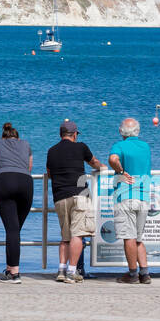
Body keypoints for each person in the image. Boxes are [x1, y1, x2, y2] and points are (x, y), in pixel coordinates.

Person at [46, 119, 103, 283]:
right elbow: (95, 162)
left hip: (60, 197)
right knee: (78, 234)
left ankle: (61, 270)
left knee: (65, 237)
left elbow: (49, 173)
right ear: (75, 134)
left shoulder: (51, 151)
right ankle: (72, 271)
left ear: (61, 135)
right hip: (79, 195)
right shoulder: (81, 147)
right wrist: (104, 169)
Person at [108, 117, 152, 284]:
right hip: (144, 197)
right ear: (138, 131)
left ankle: (132, 274)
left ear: (121, 131)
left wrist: (121, 171)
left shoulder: (119, 146)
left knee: (129, 237)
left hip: (125, 196)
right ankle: (145, 273)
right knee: (138, 238)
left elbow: (113, 159)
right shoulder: (146, 146)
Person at [0, 122, 33, 283]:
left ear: (4, 135)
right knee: (14, 230)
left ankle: (14, 273)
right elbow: (29, 167)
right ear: (17, 137)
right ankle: (10, 269)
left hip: (4, 182)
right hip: (25, 184)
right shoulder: (26, 144)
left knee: (12, 230)